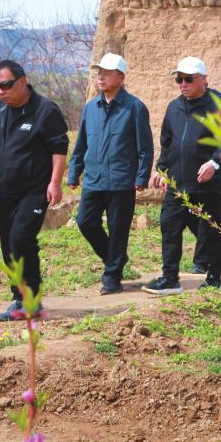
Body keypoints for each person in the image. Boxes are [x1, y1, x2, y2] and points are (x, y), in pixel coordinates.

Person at [143, 57, 221, 295]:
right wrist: (161, 169)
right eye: (179, 79)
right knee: (169, 225)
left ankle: (214, 276)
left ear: (203, 80)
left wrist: (215, 163)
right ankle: (170, 278)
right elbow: (167, 143)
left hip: (209, 183)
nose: (183, 84)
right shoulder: (174, 107)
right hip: (178, 183)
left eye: (188, 79)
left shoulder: (219, 106)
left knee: (212, 229)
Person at [0, 60, 69, 321]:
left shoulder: (46, 111)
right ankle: (19, 297)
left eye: (6, 85)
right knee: (7, 245)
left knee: (21, 238)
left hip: (35, 190)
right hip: (5, 191)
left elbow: (59, 149)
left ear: (22, 81)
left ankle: (32, 300)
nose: (1, 92)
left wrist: (55, 183)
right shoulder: (1, 110)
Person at [67, 53, 154, 295]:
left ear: (121, 77)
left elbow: (145, 148)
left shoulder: (134, 108)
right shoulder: (90, 108)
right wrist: (74, 172)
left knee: (118, 230)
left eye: (106, 73)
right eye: (99, 72)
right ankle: (115, 258)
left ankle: (112, 278)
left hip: (121, 180)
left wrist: (141, 177)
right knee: (85, 222)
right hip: (93, 179)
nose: (101, 77)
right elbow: (81, 143)